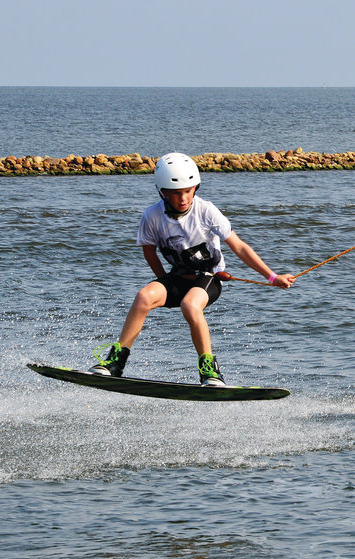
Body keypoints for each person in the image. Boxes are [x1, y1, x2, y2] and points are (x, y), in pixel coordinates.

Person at [90, 152, 295, 386]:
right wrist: (164, 281)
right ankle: (115, 363)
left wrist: (272, 277)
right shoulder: (152, 216)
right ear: (163, 192)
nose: (184, 198)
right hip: (177, 277)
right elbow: (149, 252)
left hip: (208, 279)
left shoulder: (206, 211)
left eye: (189, 190)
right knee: (144, 297)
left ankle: (210, 372)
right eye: (176, 193)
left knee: (190, 304)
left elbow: (239, 247)